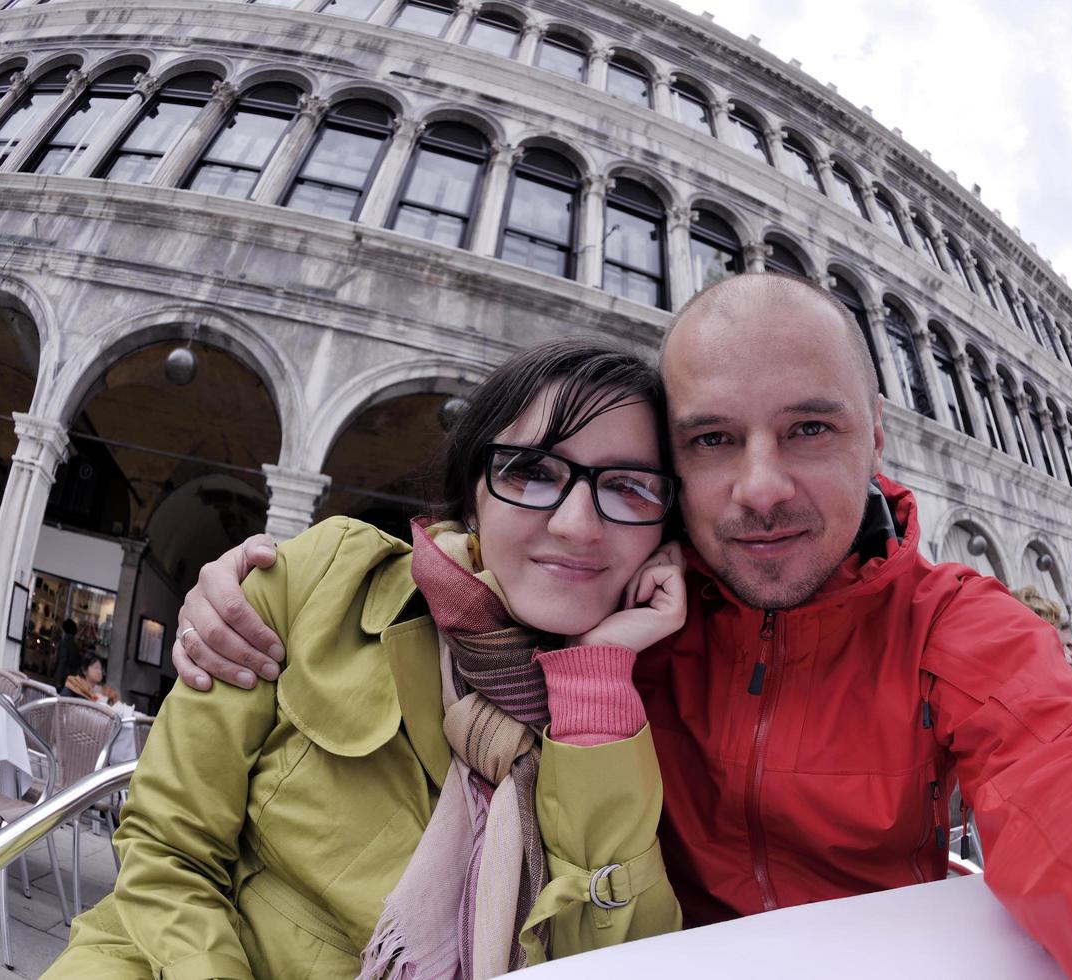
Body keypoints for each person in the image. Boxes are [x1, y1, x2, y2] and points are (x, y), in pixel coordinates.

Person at [176, 274, 1072, 977]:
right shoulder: (627, 598)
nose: (758, 487)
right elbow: (475, 557)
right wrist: (254, 578)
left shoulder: (951, 625)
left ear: (873, 443)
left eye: (808, 429)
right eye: (711, 441)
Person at [45, 341, 686, 979]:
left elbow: (621, 961)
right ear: (472, 497)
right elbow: (167, 849)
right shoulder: (321, 580)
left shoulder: (650, 702)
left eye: (628, 487)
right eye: (531, 471)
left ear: (665, 532)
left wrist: (595, 682)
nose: (576, 524)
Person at [51, 618, 80, 691]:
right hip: (71, 678)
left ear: (65, 629)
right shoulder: (75, 646)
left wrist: (58, 680)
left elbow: (62, 661)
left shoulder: (64, 643)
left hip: (62, 676)